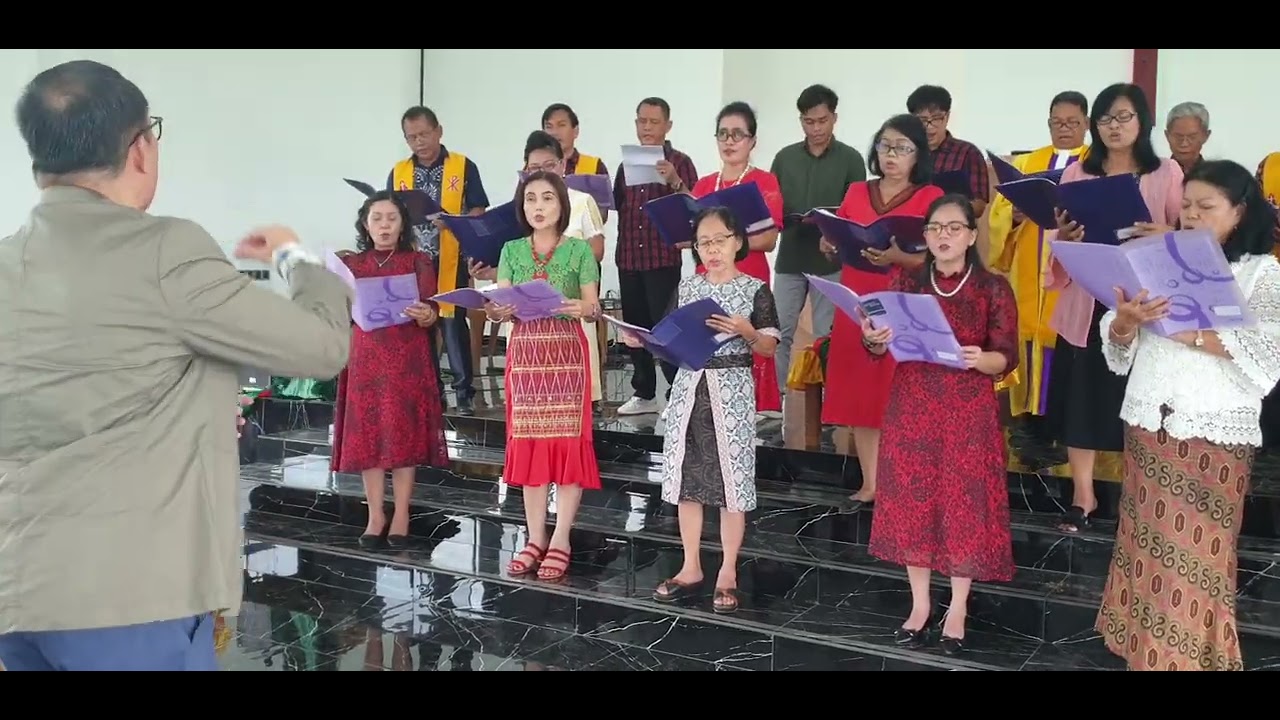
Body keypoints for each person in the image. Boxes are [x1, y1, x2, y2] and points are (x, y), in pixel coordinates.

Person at [0, 60, 351, 671]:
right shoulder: (166, 251)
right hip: (128, 598)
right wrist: (295, 257)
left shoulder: (7, 264)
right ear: (140, 149)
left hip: (17, 595)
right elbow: (320, 345)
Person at [1096, 160, 1280, 671]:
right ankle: (1145, 657)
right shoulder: (1153, 259)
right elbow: (1116, 333)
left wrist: (1193, 335)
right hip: (1148, 425)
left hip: (1212, 435)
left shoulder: (1261, 272)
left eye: (1207, 207)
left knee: (1194, 564)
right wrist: (1126, 326)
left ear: (1239, 212)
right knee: (1146, 553)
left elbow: (1272, 352)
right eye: (1188, 206)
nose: (1193, 215)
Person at [862, 194, 1017, 654]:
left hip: (967, 406)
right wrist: (874, 339)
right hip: (913, 402)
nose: (943, 236)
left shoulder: (993, 287)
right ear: (925, 237)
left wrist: (982, 358)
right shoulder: (905, 281)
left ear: (971, 235)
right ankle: (920, 604)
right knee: (913, 497)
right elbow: (877, 346)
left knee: (962, 501)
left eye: (954, 228)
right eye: (935, 228)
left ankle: (959, 606)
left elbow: (1006, 356)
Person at [1043, 83, 1183, 533]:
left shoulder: (1166, 172)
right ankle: (1082, 494)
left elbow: (1189, 231)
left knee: (1139, 399)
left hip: (1144, 302)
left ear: (1143, 122)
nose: (1114, 127)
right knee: (1082, 397)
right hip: (1087, 298)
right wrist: (1065, 238)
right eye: (1105, 119)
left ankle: (1140, 494)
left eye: (1123, 117)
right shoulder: (1076, 176)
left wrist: (1165, 232)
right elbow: (1058, 245)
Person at [637, 207, 781, 614]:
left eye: (720, 240)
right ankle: (690, 566)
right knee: (686, 476)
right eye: (704, 243)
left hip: (732, 389)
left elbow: (769, 347)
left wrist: (746, 331)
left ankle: (728, 571)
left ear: (737, 241)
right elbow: (665, 336)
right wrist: (642, 340)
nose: (712, 250)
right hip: (689, 388)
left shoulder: (754, 289)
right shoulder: (687, 287)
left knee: (731, 478)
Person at [821, 114, 944, 506]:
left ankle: (904, 480)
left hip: (902, 299)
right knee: (861, 393)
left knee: (899, 392)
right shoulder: (857, 191)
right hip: (855, 298)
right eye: (885, 145)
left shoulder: (930, 197)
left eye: (902, 148)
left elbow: (938, 256)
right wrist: (830, 243)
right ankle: (872, 481)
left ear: (918, 155)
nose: (891, 155)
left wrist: (898, 257)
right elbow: (840, 232)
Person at [486, 171, 601, 582]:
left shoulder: (579, 252)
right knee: (530, 445)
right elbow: (501, 300)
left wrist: (579, 307)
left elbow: (593, 306)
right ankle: (535, 537)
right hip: (526, 355)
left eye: (547, 198)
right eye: (530, 198)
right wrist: (497, 310)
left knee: (567, 445)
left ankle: (561, 539)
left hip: (566, 354)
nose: (538, 206)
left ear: (561, 206)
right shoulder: (511, 250)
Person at [330, 191, 449, 549]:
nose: (384, 225)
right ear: (365, 225)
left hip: (406, 357)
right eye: (377, 218)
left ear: (402, 225)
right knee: (370, 433)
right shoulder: (352, 265)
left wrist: (428, 314)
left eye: (391, 219)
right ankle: (375, 514)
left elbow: (431, 309)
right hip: (365, 356)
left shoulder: (418, 261)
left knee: (402, 433)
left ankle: (401, 513)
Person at [986, 91, 1090, 422]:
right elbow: (999, 212)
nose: (1064, 128)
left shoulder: (1095, 162)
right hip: (1027, 272)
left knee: (1065, 339)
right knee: (1025, 337)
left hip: (1071, 273)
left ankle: (1059, 424)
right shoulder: (1027, 162)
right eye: (1057, 122)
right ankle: (1026, 423)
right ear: (1048, 123)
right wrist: (1014, 216)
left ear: (1086, 123)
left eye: (1073, 122)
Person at [388, 105, 491, 415]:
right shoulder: (399, 172)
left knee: (451, 322)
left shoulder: (462, 166)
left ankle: (463, 394)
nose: (419, 142)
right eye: (411, 137)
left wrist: (456, 221)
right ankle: (431, 392)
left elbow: (478, 210)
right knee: (420, 325)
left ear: (438, 131)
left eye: (424, 134)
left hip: (451, 257)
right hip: (414, 261)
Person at [769, 84, 867, 402]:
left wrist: (831, 227)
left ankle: (828, 399)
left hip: (830, 258)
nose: (816, 129)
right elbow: (771, 205)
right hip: (791, 255)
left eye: (822, 121)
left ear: (834, 118)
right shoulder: (784, 158)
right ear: (801, 121)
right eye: (809, 122)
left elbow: (854, 211)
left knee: (827, 334)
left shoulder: (851, 159)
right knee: (779, 329)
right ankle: (780, 396)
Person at [689, 102, 784, 415]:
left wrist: (725, 244)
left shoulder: (765, 182)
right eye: (723, 134)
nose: (729, 141)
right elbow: (692, 239)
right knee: (708, 337)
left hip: (748, 275)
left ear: (752, 141)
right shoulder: (703, 185)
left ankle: (752, 411)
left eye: (738, 134)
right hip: (708, 276)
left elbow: (769, 239)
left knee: (748, 339)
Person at [613, 97, 699, 416]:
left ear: (668, 126)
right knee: (634, 329)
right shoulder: (625, 165)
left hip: (661, 258)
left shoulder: (681, 161)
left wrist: (674, 180)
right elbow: (619, 207)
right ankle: (644, 393)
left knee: (664, 329)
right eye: (641, 121)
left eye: (653, 122)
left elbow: (696, 207)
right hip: (629, 258)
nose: (646, 128)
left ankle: (677, 394)